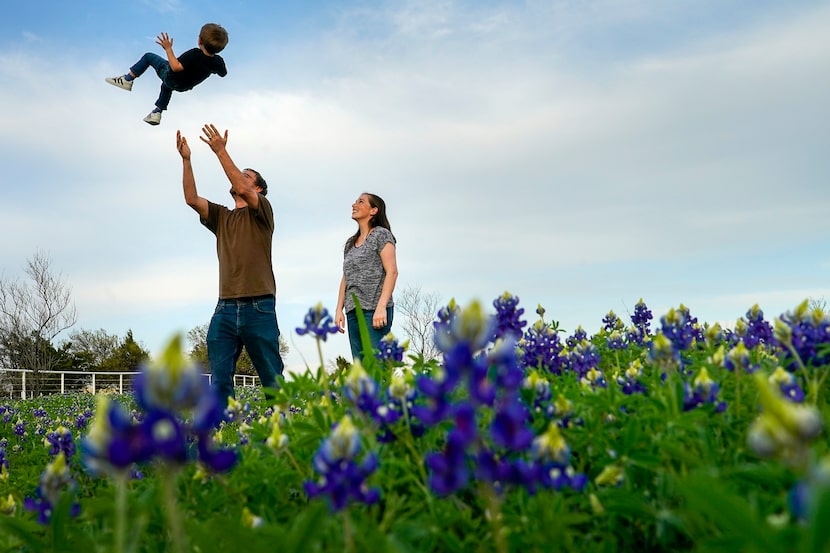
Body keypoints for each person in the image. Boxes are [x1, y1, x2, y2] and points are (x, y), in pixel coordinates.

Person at [176, 123, 284, 410]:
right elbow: (191, 199)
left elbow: (241, 187)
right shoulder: (222, 217)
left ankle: (284, 427)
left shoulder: (262, 212)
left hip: (258, 306)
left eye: (246, 177)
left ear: (257, 188)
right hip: (224, 308)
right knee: (220, 380)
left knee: (271, 379)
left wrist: (221, 152)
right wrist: (187, 161)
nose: (239, 178)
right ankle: (226, 429)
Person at [106, 23, 228, 126]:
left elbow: (175, 67)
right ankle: (157, 113)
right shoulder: (218, 62)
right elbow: (223, 74)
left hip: (171, 75)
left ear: (199, 40)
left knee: (149, 57)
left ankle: (127, 79)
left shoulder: (195, 54)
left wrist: (168, 49)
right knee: (166, 87)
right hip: (184, 86)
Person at [335, 193, 399, 360]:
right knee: (361, 366)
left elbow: (392, 272)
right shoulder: (350, 243)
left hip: (374, 310)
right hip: (352, 311)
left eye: (360, 202)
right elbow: (346, 277)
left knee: (377, 365)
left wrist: (381, 307)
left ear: (373, 210)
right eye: (356, 201)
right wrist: (339, 309)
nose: (354, 204)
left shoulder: (381, 235)